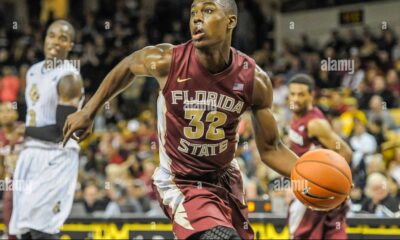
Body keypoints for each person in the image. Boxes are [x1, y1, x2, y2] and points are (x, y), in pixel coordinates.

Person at [63, 0, 300, 239]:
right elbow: (128, 66)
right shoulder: (168, 60)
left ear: (231, 21)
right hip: (181, 181)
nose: (197, 18)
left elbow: (271, 149)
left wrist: (307, 174)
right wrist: (88, 111)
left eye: (207, 10)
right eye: (193, 12)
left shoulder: (254, 80)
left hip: (225, 180)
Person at [9, 20, 84, 239]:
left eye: (63, 38)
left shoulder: (69, 78)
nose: (56, 42)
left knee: (42, 229)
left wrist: (23, 131)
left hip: (56, 156)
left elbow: (61, 133)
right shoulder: (33, 71)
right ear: (45, 38)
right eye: (52, 35)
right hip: (31, 153)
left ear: (70, 45)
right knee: (24, 229)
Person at [286, 74, 352, 239]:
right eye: (292, 94)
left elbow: (345, 152)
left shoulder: (315, 123)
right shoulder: (296, 117)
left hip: (316, 189)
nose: (295, 98)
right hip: (309, 186)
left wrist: (338, 182)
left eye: (301, 94)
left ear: (311, 95)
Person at [0, 102, 25, 240]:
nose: (5, 115)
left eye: (8, 111)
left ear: (15, 113)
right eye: (2, 111)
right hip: (11, 179)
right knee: (8, 199)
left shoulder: (24, 129)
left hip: (30, 178)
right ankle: (10, 235)